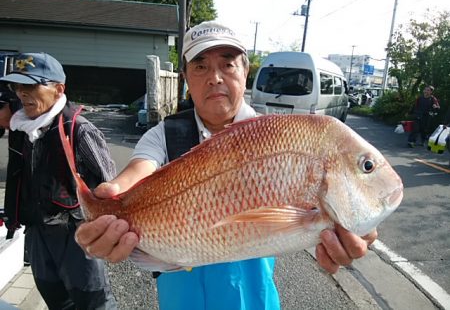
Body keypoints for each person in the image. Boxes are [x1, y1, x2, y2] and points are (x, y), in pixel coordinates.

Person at [74, 21, 378, 310]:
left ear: (245, 70)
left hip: (252, 298)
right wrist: (112, 197)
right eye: (201, 65)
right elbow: (141, 168)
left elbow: (300, 223)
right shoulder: (163, 135)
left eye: (228, 63)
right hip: (180, 296)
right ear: (186, 78)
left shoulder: (279, 137)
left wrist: (354, 226)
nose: (215, 76)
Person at [0, 52, 117, 310]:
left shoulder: (80, 130)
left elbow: (111, 186)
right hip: (37, 233)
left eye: (30, 86)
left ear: (58, 89)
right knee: (56, 301)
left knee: (94, 303)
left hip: (75, 236)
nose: (21, 93)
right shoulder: (21, 127)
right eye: (17, 86)